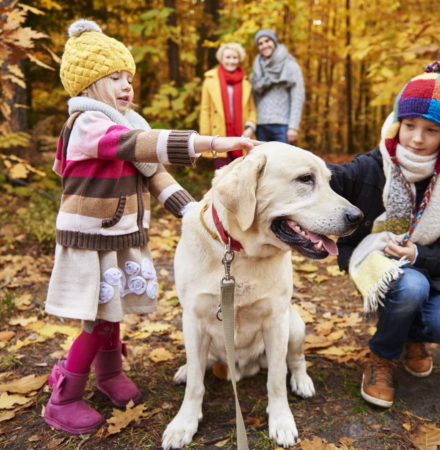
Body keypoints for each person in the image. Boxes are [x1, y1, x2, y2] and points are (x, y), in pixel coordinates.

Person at [44, 19, 257, 434]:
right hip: (90, 239)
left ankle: (108, 376)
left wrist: (197, 216)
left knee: (114, 309)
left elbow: (156, 174)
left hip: (119, 234)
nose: (127, 86)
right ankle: (64, 396)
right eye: (114, 78)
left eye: (129, 78)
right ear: (87, 86)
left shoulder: (128, 123)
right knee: (96, 318)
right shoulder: (89, 126)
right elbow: (139, 146)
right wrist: (211, 143)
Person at [328, 61, 440, 408]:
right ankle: (382, 357)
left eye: (431, 130)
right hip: (374, 262)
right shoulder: (371, 165)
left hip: (429, 270)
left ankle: (409, 335)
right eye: (410, 126)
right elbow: (329, 176)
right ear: (398, 123)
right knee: (411, 286)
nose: (418, 138)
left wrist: (418, 255)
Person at [200, 42, 257, 170]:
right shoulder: (209, 80)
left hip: (242, 135)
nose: (231, 61)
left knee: (242, 174)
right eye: (228, 57)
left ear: (239, 59)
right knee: (222, 175)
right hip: (219, 135)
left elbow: (252, 109)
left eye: (234, 57)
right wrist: (205, 139)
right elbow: (205, 110)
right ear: (221, 59)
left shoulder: (246, 81)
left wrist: (250, 128)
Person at [249, 29, 305, 144]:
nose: (264, 45)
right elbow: (252, 99)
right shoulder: (256, 69)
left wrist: (293, 127)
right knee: (263, 161)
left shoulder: (289, 65)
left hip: (282, 126)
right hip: (260, 125)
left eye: (267, 41)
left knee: (283, 161)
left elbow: (297, 97)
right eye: (260, 43)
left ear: (274, 42)